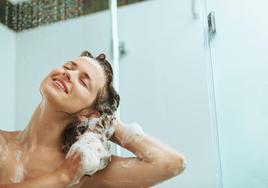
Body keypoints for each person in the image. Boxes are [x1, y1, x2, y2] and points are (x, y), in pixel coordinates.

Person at [0, 51, 186, 188]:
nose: (68, 74)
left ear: (89, 113)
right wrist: (63, 176)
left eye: (83, 81)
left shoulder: (84, 170)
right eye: (68, 66)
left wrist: (111, 125)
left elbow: (171, 163)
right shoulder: (3, 143)